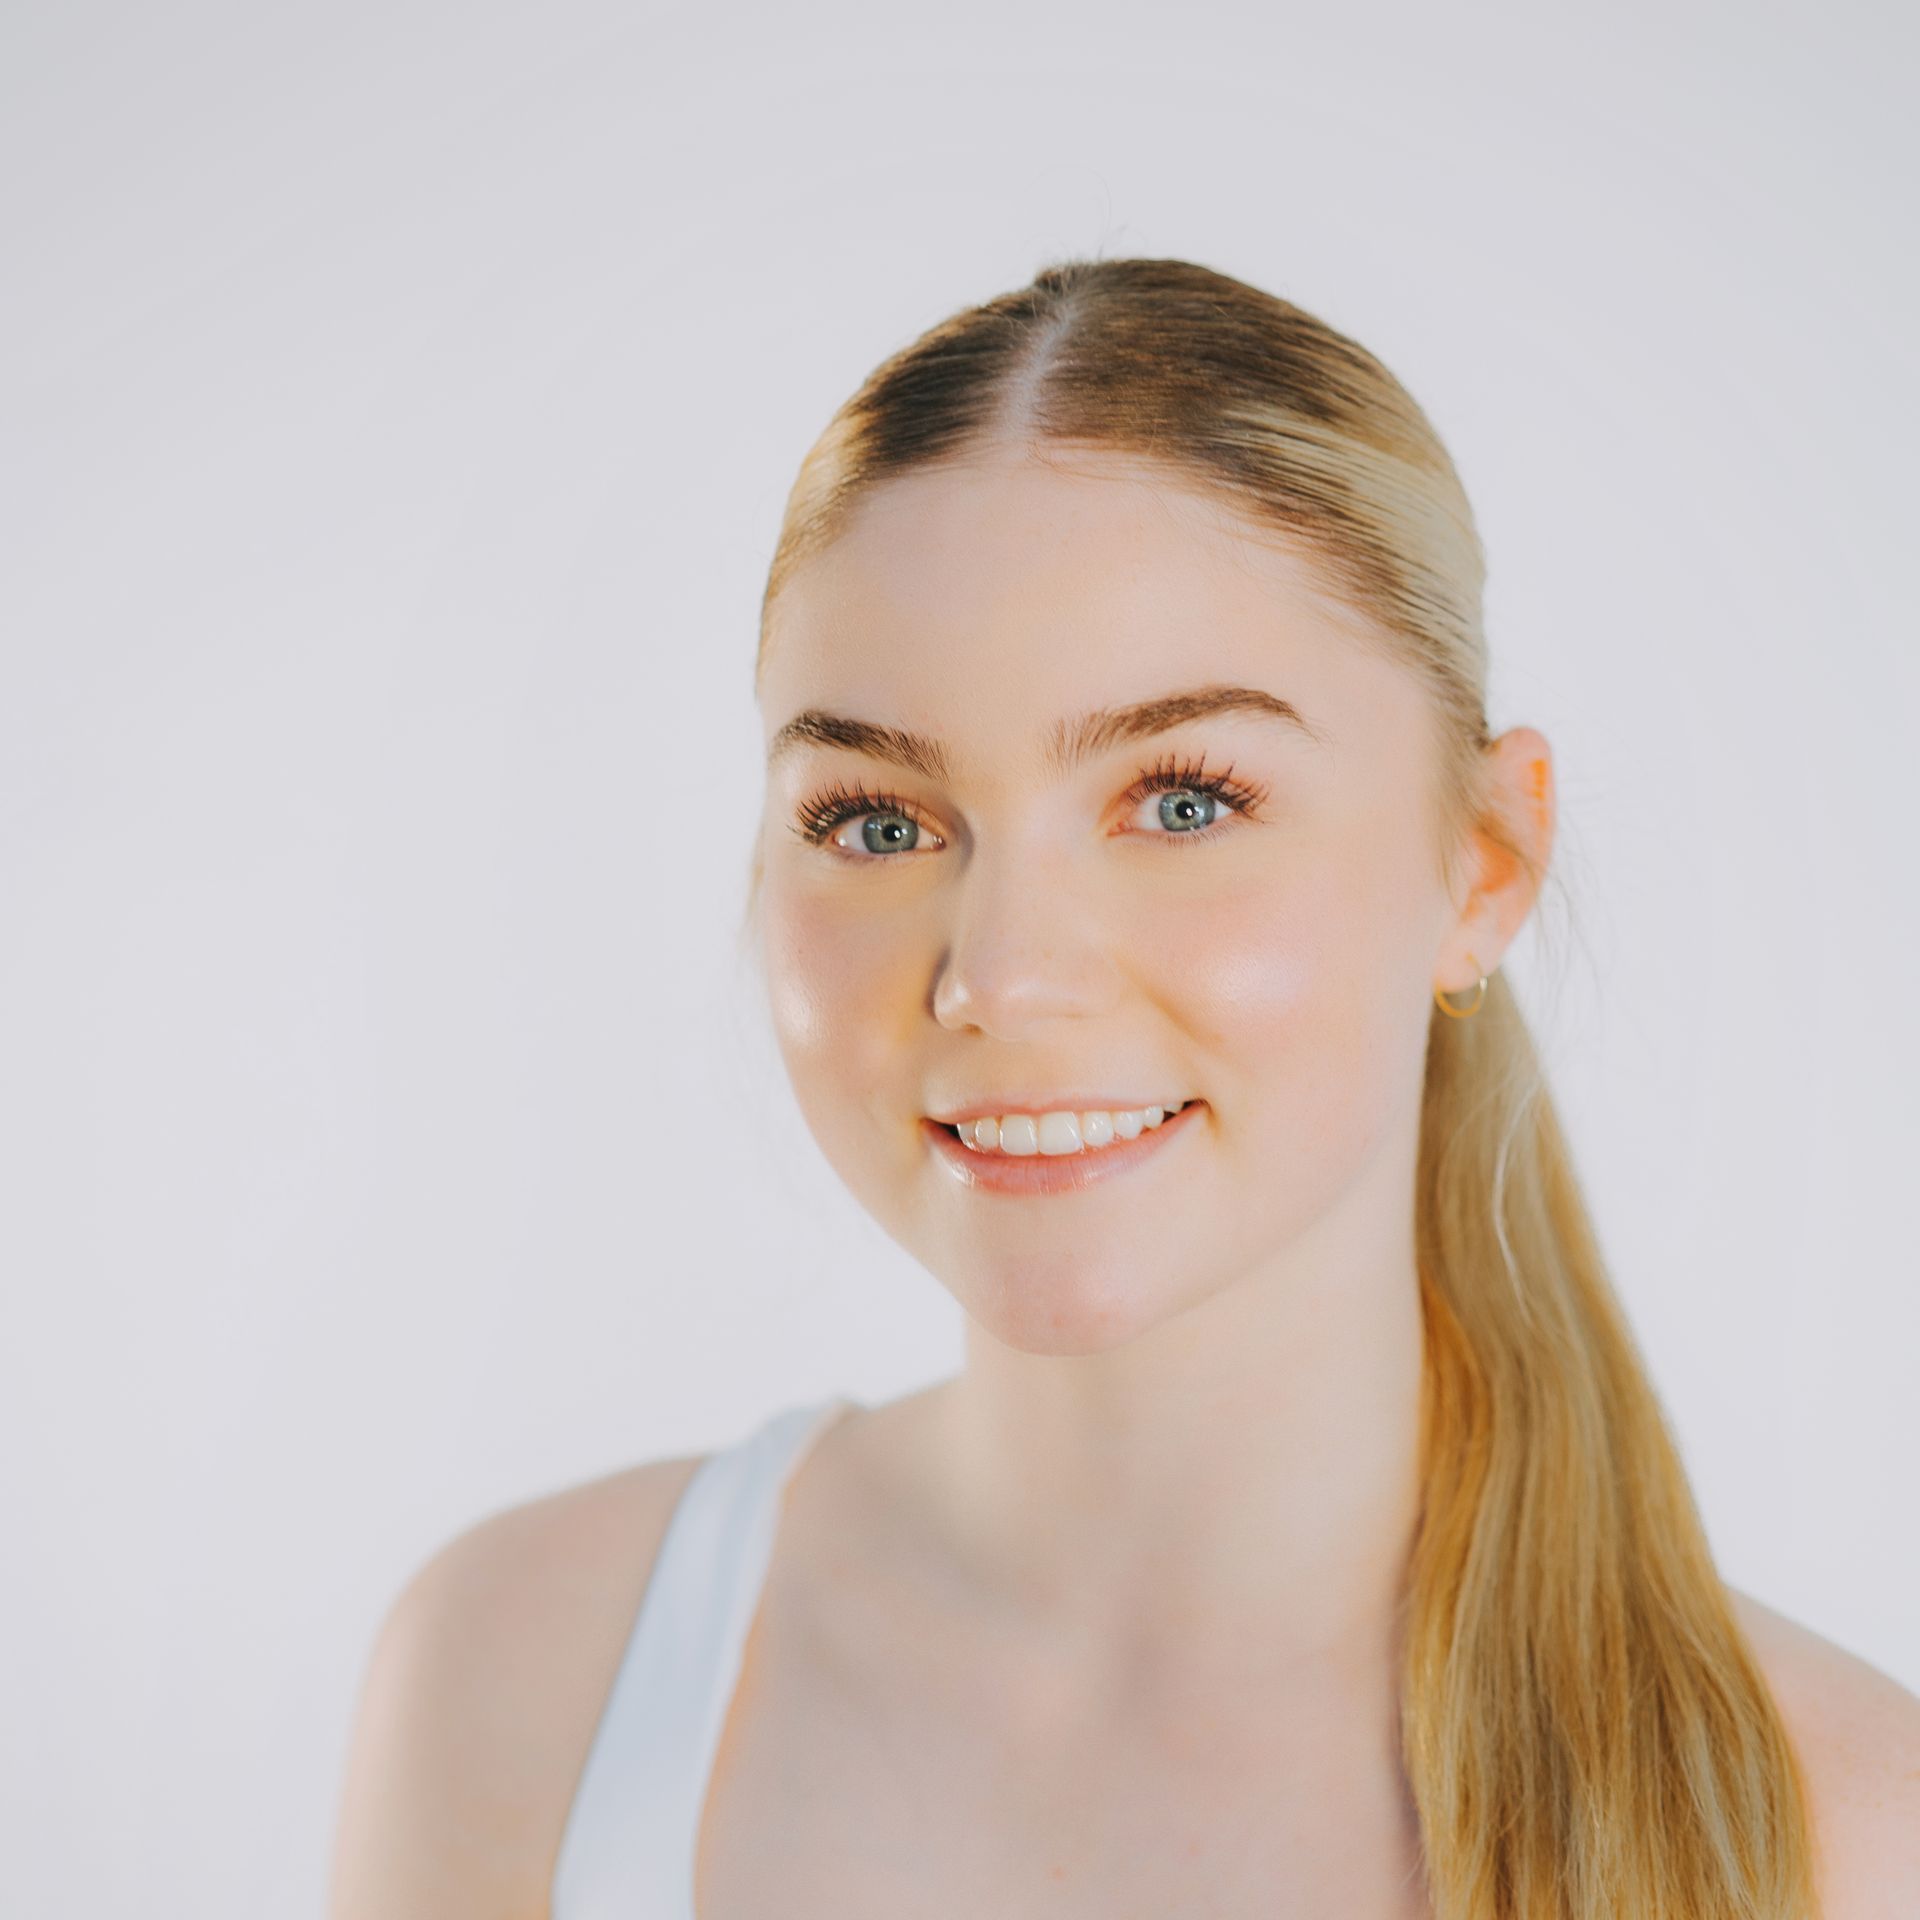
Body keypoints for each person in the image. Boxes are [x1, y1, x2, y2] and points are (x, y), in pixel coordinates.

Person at [327, 257, 1920, 1919]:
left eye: (1181, 803)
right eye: (876, 820)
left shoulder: (1850, 1843)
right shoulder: (524, 1681)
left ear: (1485, 863)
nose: (1000, 974)